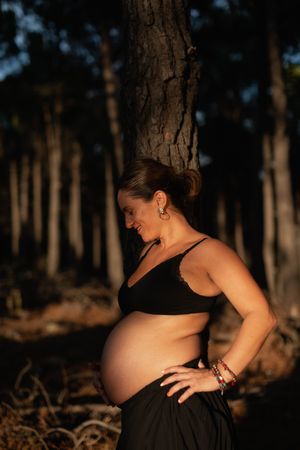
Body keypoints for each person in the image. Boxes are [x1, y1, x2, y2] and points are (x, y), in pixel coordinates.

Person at [94, 158, 277, 450]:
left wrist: (219, 376)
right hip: (140, 411)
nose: (128, 223)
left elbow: (261, 315)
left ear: (159, 200)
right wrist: (110, 374)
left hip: (174, 407)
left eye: (131, 211)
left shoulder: (208, 252)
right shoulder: (147, 252)